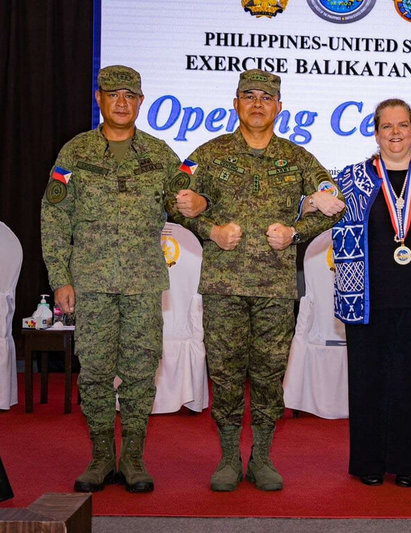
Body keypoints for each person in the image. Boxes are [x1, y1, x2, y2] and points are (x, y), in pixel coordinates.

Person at [171, 69, 344, 492]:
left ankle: (262, 457)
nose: (258, 104)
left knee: (268, 375)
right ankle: (229, 457)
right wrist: (209, 228)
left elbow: (333, 197)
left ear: (279, 108)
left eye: (267, 97)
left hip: (274, 289)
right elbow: (175, 200)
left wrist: (296, 232)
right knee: (226, 375)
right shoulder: (209, 154)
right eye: (248, 96)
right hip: (223, 287)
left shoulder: (297, 156)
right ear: (236, 104)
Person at [41, 65, 193, 493]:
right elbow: (55, 216)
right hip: (90, 281)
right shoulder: (75, 153)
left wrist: (200, 203)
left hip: (143, 282)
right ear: (99, 99)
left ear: (141, 102)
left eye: (130, 95)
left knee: (142, 371)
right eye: (113, 94)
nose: (122, 102)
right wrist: (61, 278)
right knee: (93, 371)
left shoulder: (161, 155)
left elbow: (183, 205)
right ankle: (101, 456)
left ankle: (133, 458)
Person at [332, 98, 411, 488]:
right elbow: (314, 207)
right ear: (375, 132)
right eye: (386, 126)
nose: (395, 133)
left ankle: (409, 463)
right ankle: (369, 462)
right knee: (368, 381)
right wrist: (312, 202)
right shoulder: (350, 178)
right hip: (367, 300)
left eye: (402, 125)